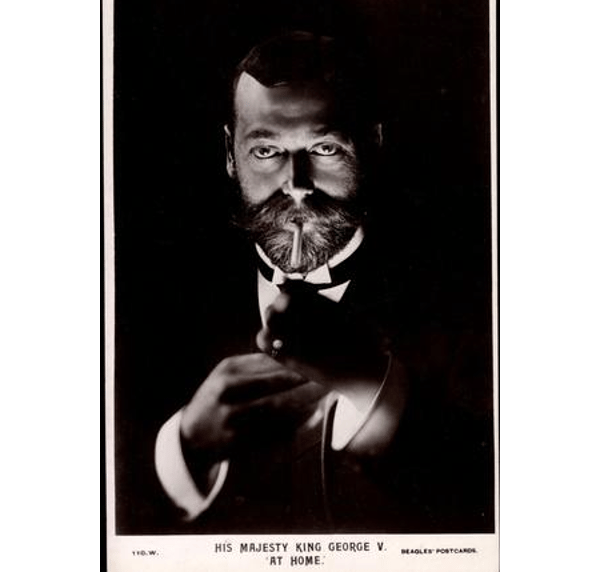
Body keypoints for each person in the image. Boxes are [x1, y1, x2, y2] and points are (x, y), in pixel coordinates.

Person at [115, 31, 494, 534]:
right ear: (229, 154)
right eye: (267, 150)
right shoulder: (148, 302)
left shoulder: (471, 296)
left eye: (325, 147)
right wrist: (185, 447)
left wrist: (374, 386)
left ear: (373, 143)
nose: (296, 185)